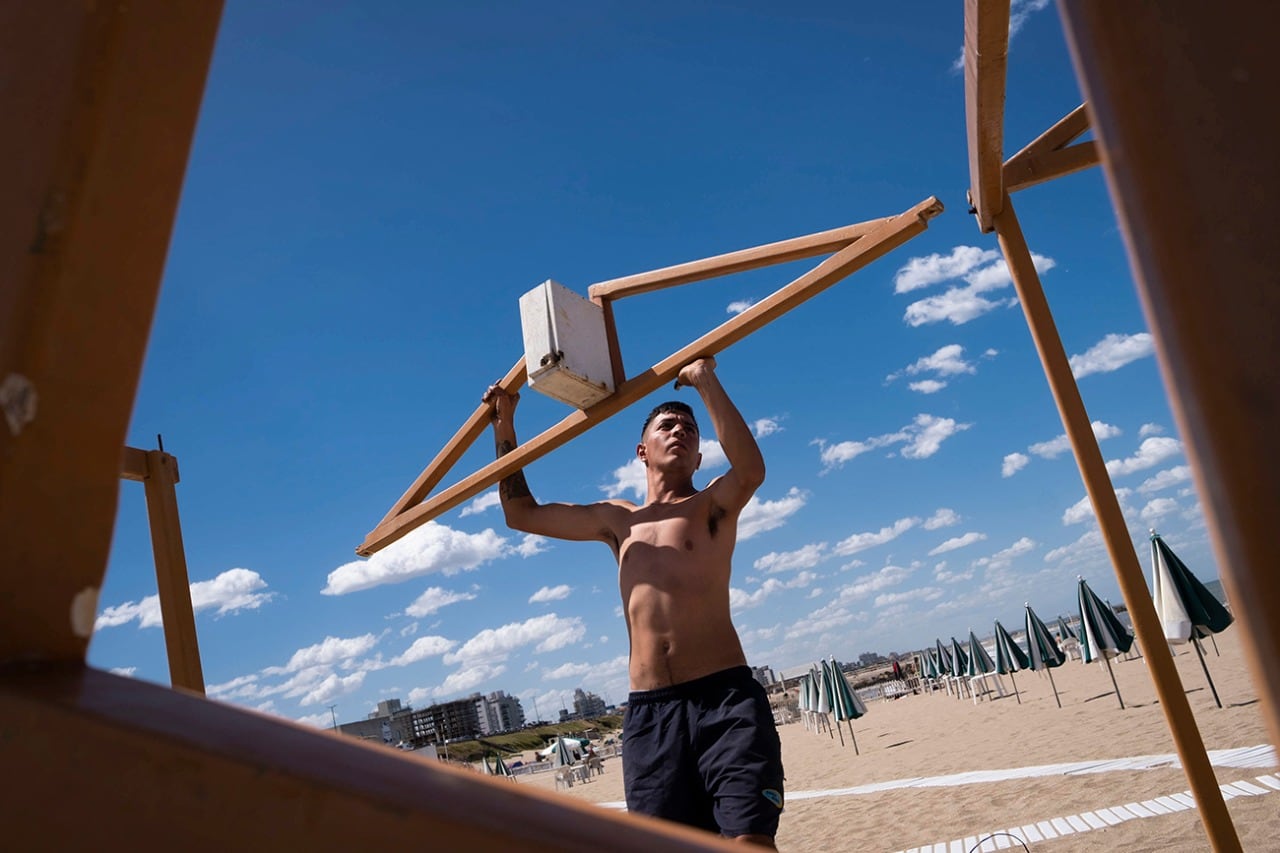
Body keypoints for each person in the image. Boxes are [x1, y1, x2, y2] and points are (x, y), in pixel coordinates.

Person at [483, 356, 784, 846]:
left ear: (700, 457)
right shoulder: (618, 521)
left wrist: (704, 380)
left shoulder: (711, 507)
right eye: (668, 424)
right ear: (642, 451)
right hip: (651, 715)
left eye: (690, 427)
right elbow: (521, 513)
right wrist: (506, 423)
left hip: (725, 702)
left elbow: (751, 469)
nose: (681, 430)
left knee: (749, 842)